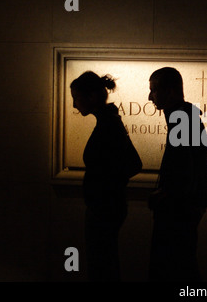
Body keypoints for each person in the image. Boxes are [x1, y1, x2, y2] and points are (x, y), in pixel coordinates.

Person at [70, 71, 142, 281]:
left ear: (91, 97)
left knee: (102, 266)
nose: (75, 105)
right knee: (104, 263)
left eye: (76, 98)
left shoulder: (109, 125)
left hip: (104, 209)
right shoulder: (109, 122)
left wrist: (106, 187)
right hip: (106, 207)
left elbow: (133, 164)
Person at [148, 67, 207, 281]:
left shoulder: (182, 120)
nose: (150, 97)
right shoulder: (184, 118)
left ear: (171, 91)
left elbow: (187, 170)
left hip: (177, 212)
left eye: (154, 90)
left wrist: (168, 194)